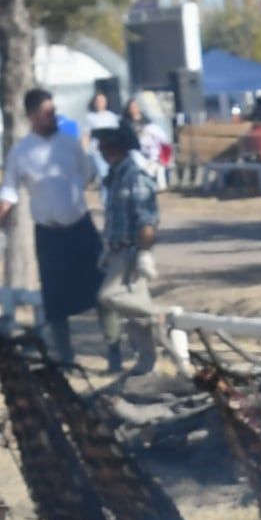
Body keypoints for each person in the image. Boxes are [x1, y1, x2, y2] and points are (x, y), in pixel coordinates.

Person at [2, 88, 105, 366]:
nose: (53, 116)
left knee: (103, 291)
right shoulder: (21, 152)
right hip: (49, 233)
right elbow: (9, 192)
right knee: (55, 302)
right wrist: (1, 227)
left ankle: (114, 352)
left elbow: (86, 175)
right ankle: (66, 357)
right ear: (32, 116)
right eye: (47, 113)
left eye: (53, 110)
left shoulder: (70, 143)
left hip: (80, 226)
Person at [93, 122, 166, 378]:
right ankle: (146, 365)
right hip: (115, 250)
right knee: (136, 320)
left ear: (115, 147)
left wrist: (144, 253)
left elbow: (147, 219)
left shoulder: (135, 177)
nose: (100, 150)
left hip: (130, 251)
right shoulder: (114, 177)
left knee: (108, 296)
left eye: (103, 145)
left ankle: (160, 314)